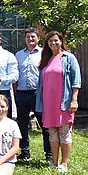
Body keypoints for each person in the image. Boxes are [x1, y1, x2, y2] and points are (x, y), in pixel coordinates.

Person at [35, 31, 81, 173]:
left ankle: (64, 163)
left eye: (56, 40)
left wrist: (74, 100)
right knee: (52, 133)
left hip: (64, 102)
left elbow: (76, 81)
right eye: (50, 41)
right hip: (48, 104)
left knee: (64, 132)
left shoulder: (69, 58)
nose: (53, 43)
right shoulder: (46, 59)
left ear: (61, 41)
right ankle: (54, 162)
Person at [14, 27, 50, 162]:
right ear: (25, 39)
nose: (30, 39)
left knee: (44, 124)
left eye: (33, 37)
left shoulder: (44, 53)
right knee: (22, 124)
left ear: (38, 38)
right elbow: (16, 75)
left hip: (38, 93)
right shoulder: (18, 55)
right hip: (22, 94)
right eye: (28, 37)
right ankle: (25, 152)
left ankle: (49, 153)